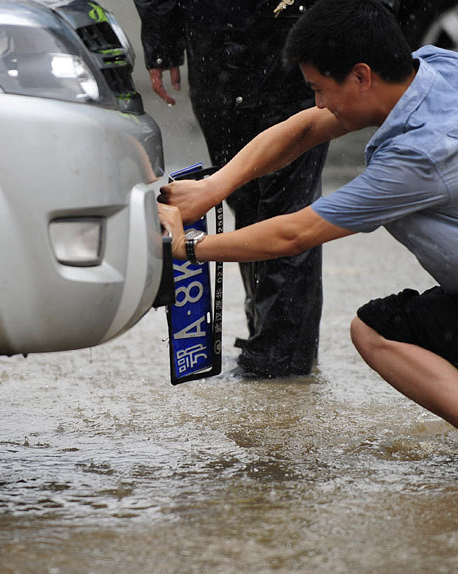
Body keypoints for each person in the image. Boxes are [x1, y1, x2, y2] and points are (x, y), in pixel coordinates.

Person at [157, 0, 458, 479]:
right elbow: (305, 128)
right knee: (454, 315)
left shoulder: (422, 156)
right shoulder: (445, 67)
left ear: (362, 76)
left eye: (320, 89)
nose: (319, 103)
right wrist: (213, 188)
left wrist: (188, 249)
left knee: (379, 330)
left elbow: (294, 233)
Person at [133, 0, 329, 377]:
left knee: (275, 201)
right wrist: (162, 40)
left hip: (248, 41)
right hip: (241, 41)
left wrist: (163, 40)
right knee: (255, 200)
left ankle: (277, 351)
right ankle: (277, 346)